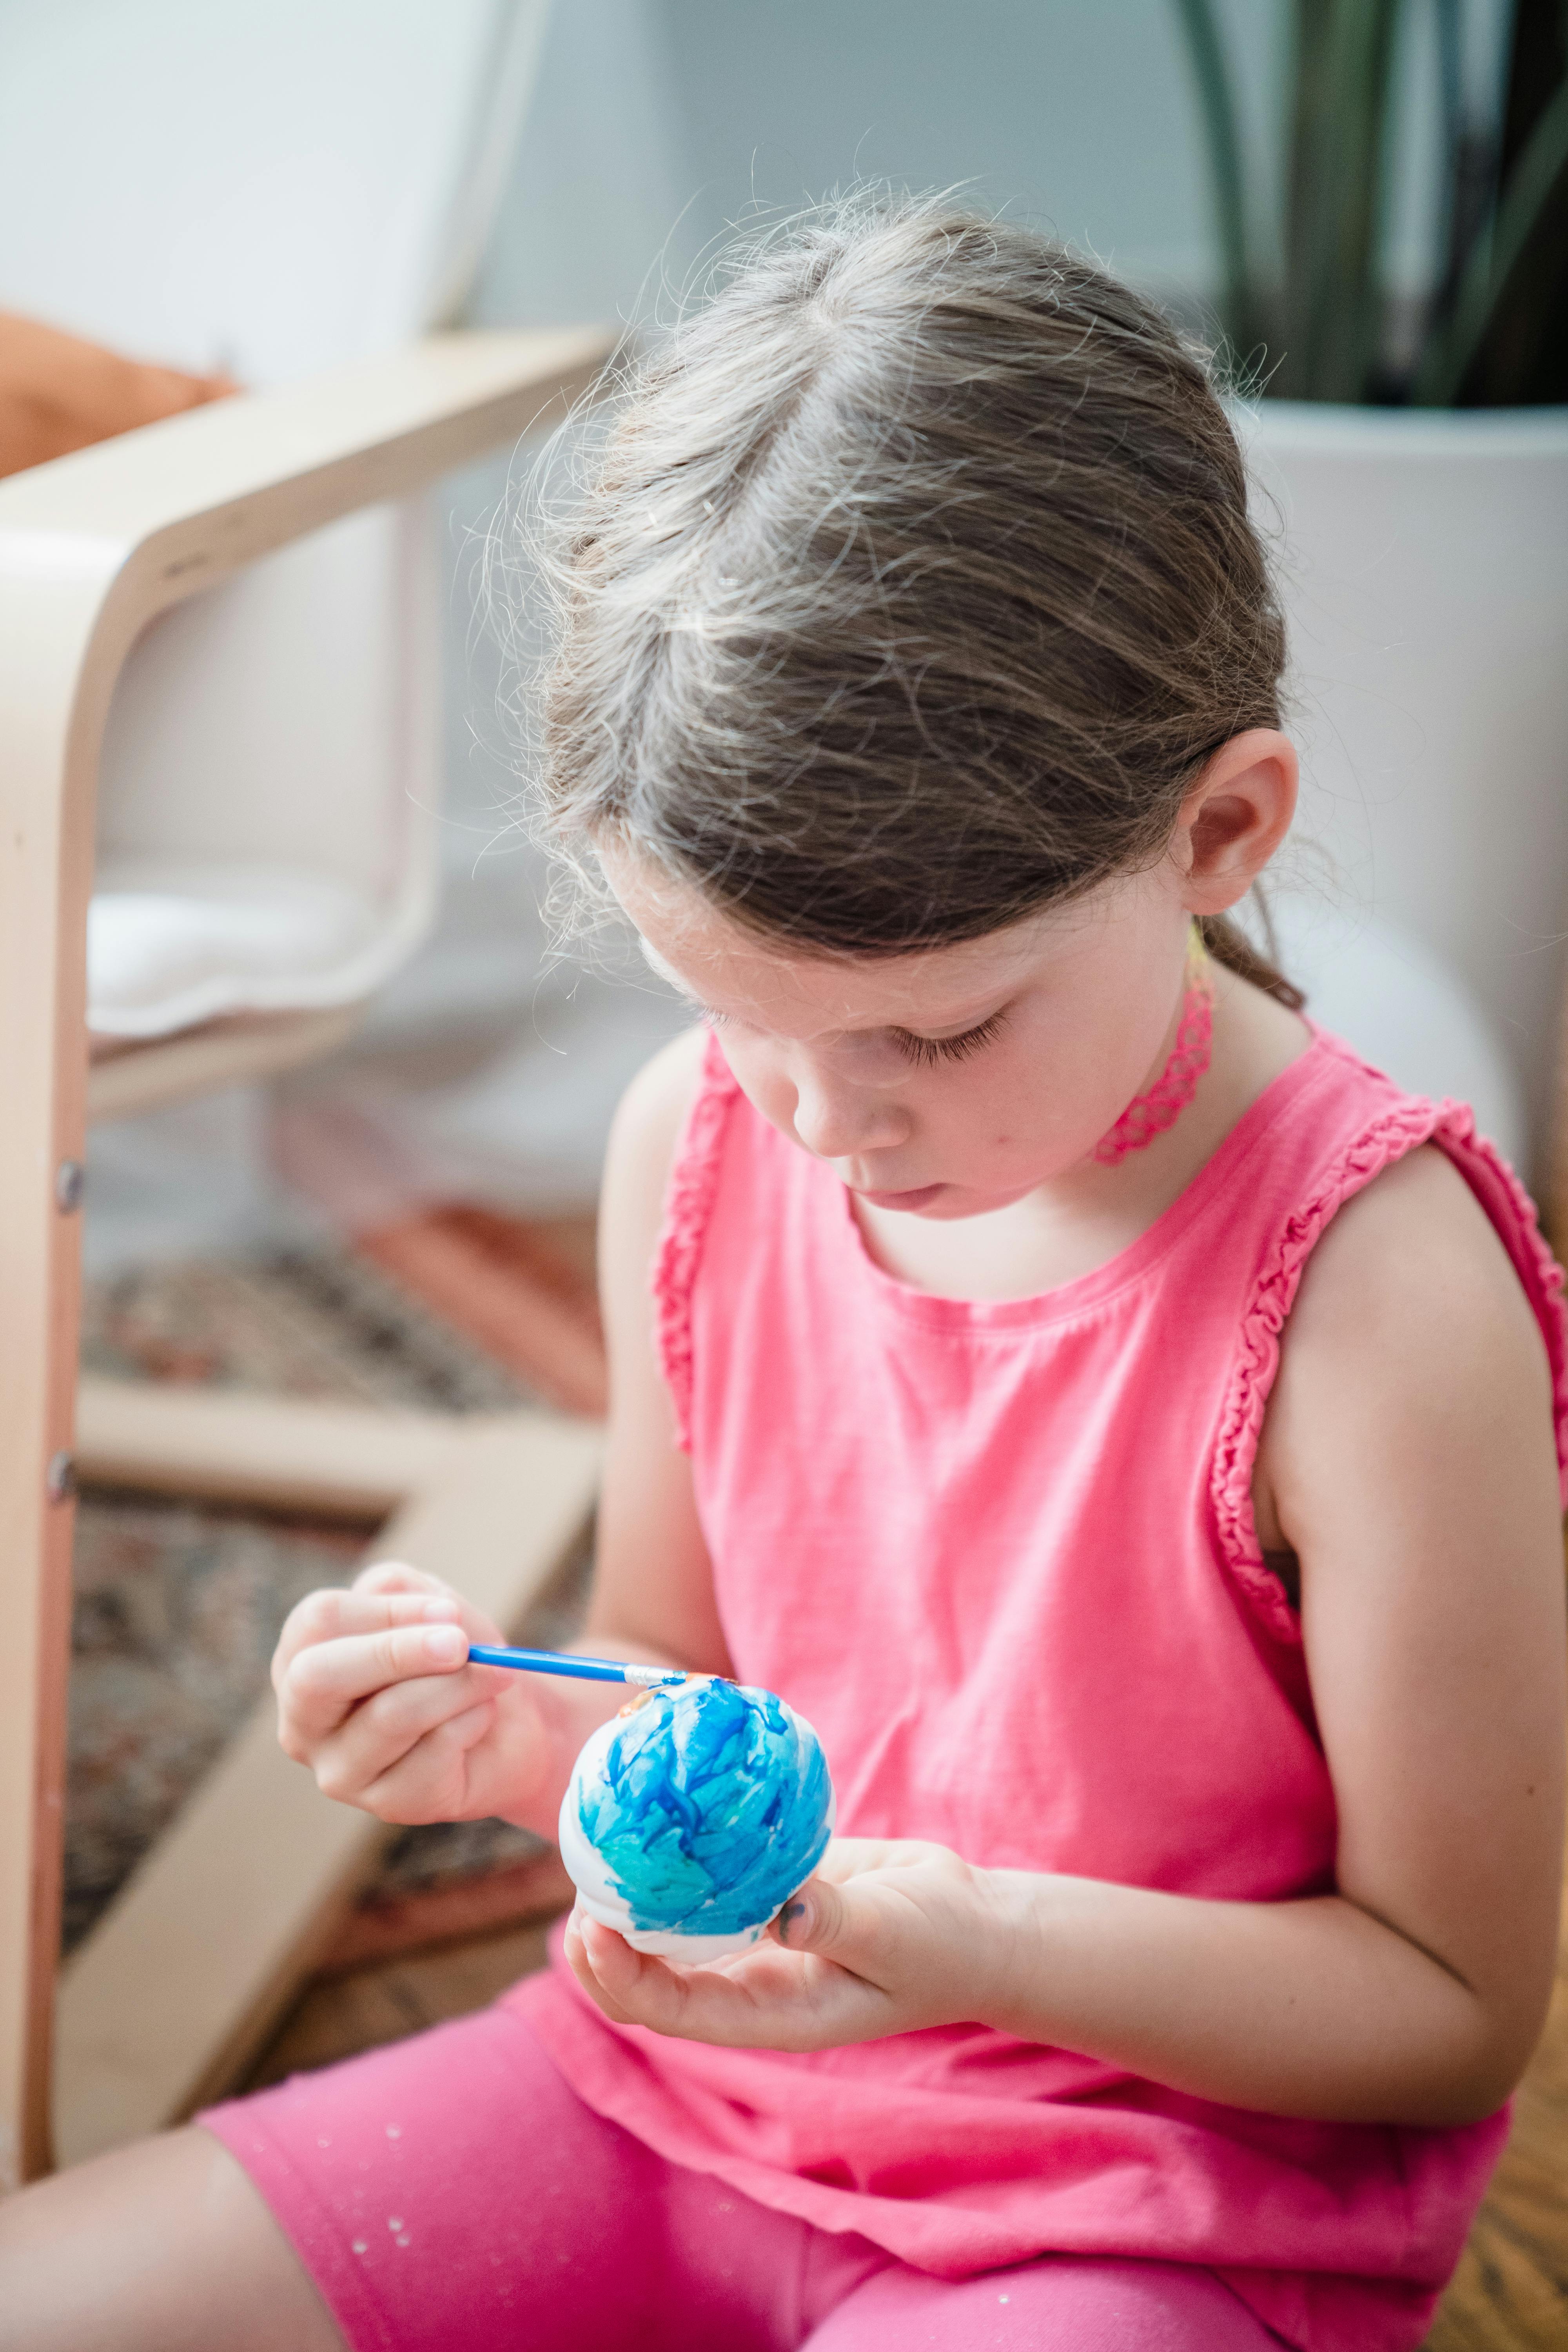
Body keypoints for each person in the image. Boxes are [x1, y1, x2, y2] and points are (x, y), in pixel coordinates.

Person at [3, 196, 1564, 2352]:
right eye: (733, 1008)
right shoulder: (699, 1143)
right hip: (675, 2097)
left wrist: (986, 1949)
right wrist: (508, 1741)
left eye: (936, 1032)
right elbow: (669, 1661)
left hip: (1143, 2215)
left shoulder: (1379, 1297)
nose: (825, 1121)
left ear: (1218, 833)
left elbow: (1451, 2012)